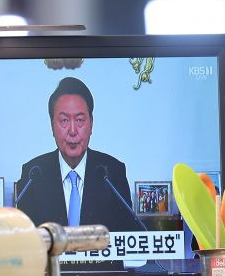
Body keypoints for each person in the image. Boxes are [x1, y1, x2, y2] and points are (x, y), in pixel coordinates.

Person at [15, 77, 140, 231]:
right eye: (64, 120)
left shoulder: (112, 173)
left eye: (80, 120)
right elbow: (22, 239)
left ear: (91, 124)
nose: (73, 131)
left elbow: (128, 233)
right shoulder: (33, 174)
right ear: (52, 125)